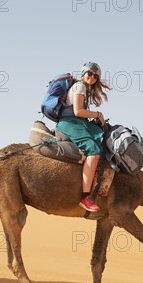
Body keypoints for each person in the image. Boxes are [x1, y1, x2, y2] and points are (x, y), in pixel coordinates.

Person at [56, 62, 110, 213]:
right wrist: (98, 114)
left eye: (96, 76)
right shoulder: (80, 86)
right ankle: (85, 197)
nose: (92, 77)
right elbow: (78, 111)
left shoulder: (84, 88)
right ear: (84, 73)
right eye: (90, 73)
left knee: (103, 135)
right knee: (93, 150)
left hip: (77, 122)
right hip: (70, 123)